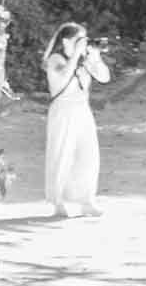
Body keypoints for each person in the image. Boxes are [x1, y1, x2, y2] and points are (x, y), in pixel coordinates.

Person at [41, 21, 109, 216]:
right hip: (63, 110)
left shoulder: (84, 60)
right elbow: (62, 77)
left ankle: (87, 200)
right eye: (78, 39)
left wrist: (95, 58)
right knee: (62, 154)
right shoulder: (55, 59)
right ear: (66, 41)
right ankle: (58, 201)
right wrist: (76, 56)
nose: (83, 43)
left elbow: (105, 78)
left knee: (88, 155)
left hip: (82, 110)